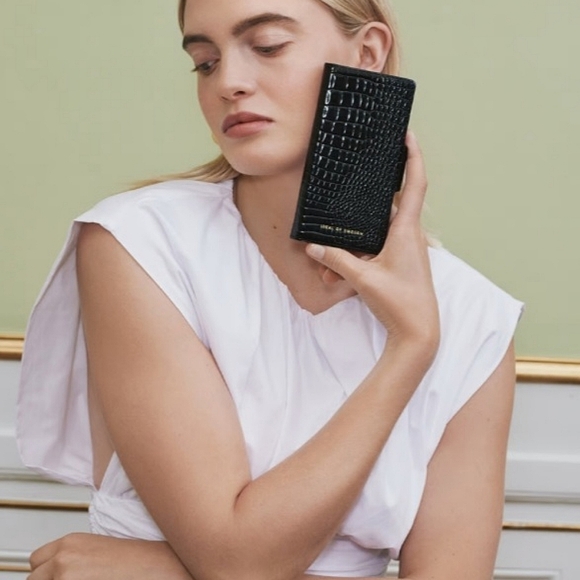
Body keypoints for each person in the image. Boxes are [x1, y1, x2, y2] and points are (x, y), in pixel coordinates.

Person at [17, 0, 523, 578]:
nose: (228, 83)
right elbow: (236, 559)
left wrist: (161, 572)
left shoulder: (472, 315)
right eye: (205, 62)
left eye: (267, 46)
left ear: (367, 53)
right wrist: (408, 353)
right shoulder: (140, 243)